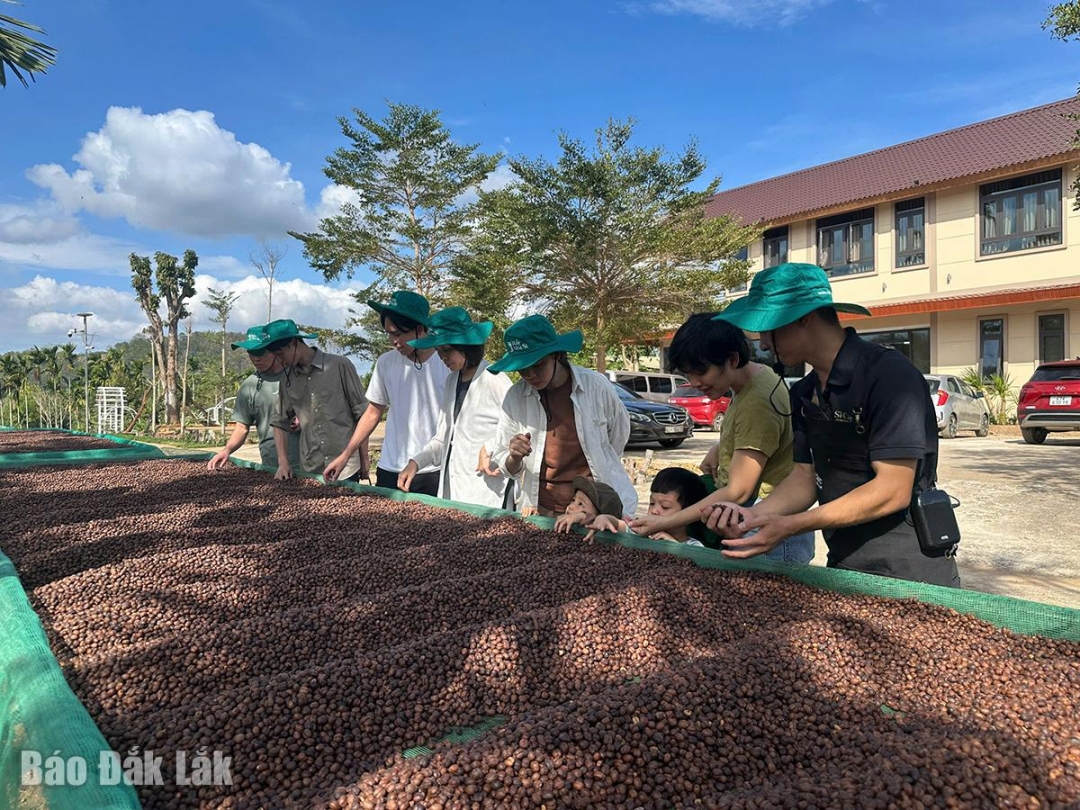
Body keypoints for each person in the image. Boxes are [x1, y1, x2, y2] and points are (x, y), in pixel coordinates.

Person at [709, 262, 960, 587]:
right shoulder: (803, 392)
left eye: (766, 330)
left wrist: (794, 524)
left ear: (804, 317)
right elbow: (804, 478)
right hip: (843, 564)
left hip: (909, 571)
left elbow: (893, 489)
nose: (764, 345)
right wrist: (752, 517)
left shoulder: (889, 377)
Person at [628, 313, 816, 563]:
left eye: (701, 371)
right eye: (688, 373)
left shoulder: (757, 402)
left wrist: (665, 521)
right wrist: (721, 445)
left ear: (732, 359)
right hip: (754, 518)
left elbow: (739, 491)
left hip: (768, 528)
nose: (694, 383)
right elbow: (761, 435)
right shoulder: (755, 378)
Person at [488, 314, 637, 517]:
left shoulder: (596, 386)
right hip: (541, 507)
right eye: (523, 369)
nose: (531, 375)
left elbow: (618, 436)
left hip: (594, 510)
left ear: (556, 355)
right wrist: (514, 455)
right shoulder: (515, 397)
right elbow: (506, 464)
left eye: (538, 364)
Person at [322, 290, 450, 493]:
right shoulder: (385, 363)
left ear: (419, 328)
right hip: (390, 468)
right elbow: (373, 411)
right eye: (389, 333)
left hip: (435, 469)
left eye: (398, 334)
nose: (393, 341)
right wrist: (345, 455)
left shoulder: (446, 362)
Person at [396, 307, 513, 507]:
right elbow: (443, 439)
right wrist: (416, 462)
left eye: (447, 349)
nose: (443, 357)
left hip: (488, 493)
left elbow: (519, 431)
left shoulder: (496, 380)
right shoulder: (452, 382)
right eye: (439, 351)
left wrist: (490, 447)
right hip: (455, 490)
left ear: (466, 345)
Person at [257, 319, 370, 482]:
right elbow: (279, 421)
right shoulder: (287, 380)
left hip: (345, 466)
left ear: (294, 343)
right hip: (311, 466)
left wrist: (364, 458)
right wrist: (283, 462)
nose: (279, 360)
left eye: (281, 354)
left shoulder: (339, 366)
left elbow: (362, 412)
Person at [206, 325, 301, 472]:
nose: (256, 359)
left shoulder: (299, 375)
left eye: (261, 353)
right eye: (251, 353)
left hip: (307, 463)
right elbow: (242, 428)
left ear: (274, 350)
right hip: (271, 465)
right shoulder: (249, 386)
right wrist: (226, 450)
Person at [590, 467, 709, 546]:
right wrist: (605, 518)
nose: (654, 511)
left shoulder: (694, 546)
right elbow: (620, 525)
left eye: (665, 506)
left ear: (688, 515)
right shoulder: (644, 532)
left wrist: (673, 546)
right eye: (652, 503)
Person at [553, 476, 624, 534]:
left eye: (580, 504)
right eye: (573, 500)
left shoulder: (603, 528)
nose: (571, 506)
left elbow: (599, 521)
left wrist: (583, 516)